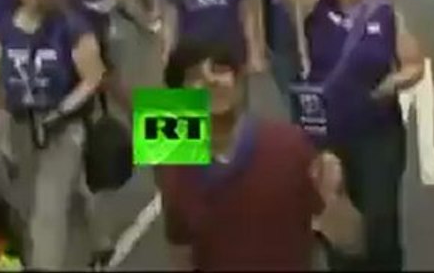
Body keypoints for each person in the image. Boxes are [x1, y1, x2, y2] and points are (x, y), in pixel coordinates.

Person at [269, 0, 425, 271]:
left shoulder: (385, 13)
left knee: (380, 218)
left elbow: (414, 64)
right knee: (337, 217)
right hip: (330, 136)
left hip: (377, 133)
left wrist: (392, 83)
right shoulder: (316, 7)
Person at [156, 38, 365, 271]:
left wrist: (334, 198)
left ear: (239, 83)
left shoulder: (289, 146)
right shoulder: (175, 167)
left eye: (219, 70)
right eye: (195, 76)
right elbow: (181, 251)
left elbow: (351, 242)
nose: (210, 80)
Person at [0, 0, 111, 270]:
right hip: (21, 126)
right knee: (59, 192)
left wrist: (61, 111)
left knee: (48, 207)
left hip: (62, 126)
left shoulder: (70, 25)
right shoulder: (4, 29)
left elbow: (94, 75)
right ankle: (101, 240)